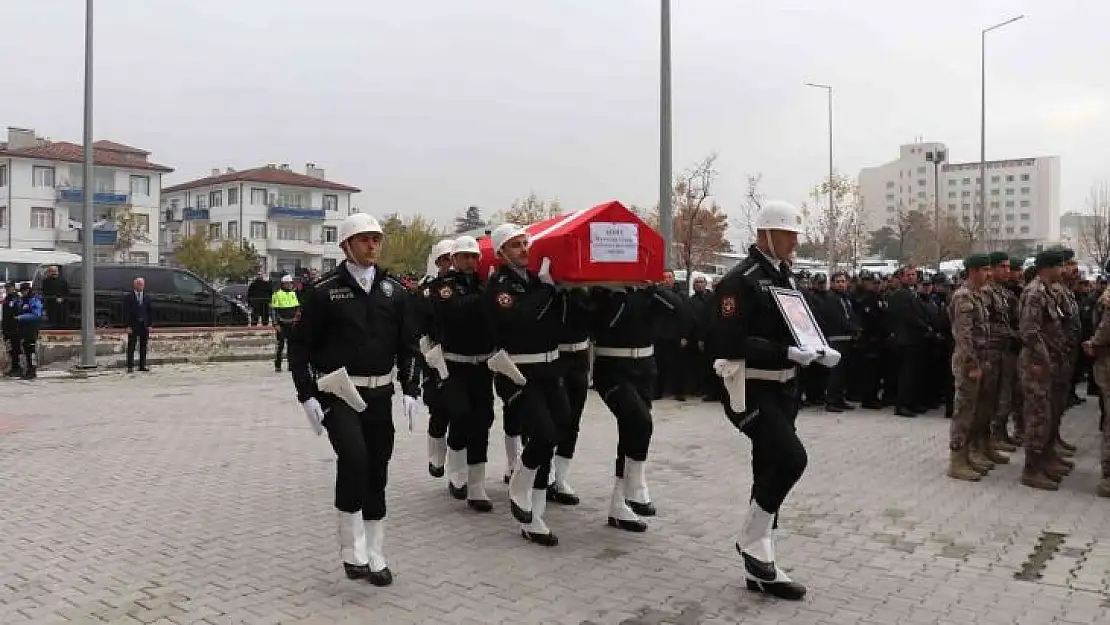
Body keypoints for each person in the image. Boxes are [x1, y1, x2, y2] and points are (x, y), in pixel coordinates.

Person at [710, 200, 840, 601]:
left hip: (784, 388)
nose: (794, 242)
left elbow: (794, 327)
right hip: (750, 387)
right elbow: (730, 341)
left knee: (768, 467)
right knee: (790, 458)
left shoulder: (786, 276)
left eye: (795, 235)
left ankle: (760, 563)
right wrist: (784, 352)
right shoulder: (739, 281)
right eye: (787, 234)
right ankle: (750, 543)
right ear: (765, 235)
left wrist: (816, 349)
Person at [287, 212, 421, 586]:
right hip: (339, 392)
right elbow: (299, 347)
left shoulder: (395, 291)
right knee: (355, 457)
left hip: (380, 393)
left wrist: (411, 388)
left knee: (377, 467)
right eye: (363, 239)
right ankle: (351, 548)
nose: (372, 246)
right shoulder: (323, 291)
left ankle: (376, 553)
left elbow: (409, 346)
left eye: (376, 239)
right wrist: (307, 395)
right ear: (345, 245)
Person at [487, 223, 570, 546]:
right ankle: (519, 484)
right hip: (518, 373)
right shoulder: (499, 287)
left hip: (549, 370)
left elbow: (558, 322)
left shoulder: (537, 281)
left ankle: (535, 517)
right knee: (543, 433)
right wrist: (548, 291)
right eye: (516, 245)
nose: (524, 249)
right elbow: (519, 318)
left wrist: (564, 291)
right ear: (501, 253)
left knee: (558, 430)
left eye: (525, 243)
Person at [430, 235, 497, 512]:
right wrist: (486, 295)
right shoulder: (444, 286)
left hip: (481, 364)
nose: (470, 261)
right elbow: (455, 311)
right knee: (460, 414)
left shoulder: (485, 284)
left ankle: (477, 483)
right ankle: (457, 474)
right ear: (454, 259)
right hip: (454, 364)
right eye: (465, 256)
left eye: (474, 257)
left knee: (483, 420)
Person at [1017, 250, 1067, 491]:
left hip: (1048, 363)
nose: (1063, 270)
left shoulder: (1046, 291)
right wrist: (1044, 359)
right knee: (1037, 416)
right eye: (1060, 266)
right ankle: (1032, 469)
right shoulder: (1035, 292)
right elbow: (1029, 331)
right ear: (1048, 267)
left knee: (1046, 413)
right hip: (1037, 364)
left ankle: (1044, 460)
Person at [947, 255, 991, 481]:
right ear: (972, 271)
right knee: (963, 412)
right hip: (967, 363)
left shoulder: (978, 295)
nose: (989, 274)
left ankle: (968, 455)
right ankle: (957, 461)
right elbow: (964, 337)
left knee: (975, 411)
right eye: (984, 269)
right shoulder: (963, 297)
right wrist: (973, 363)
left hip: (979, 361)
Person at [417, 239, 456, 478]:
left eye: (451, 259)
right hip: (434, 357)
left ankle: (459, 470)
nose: (448, 265)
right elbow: (419, 325)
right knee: (439, 410)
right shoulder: (427, 289)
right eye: (443, 260)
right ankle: (436, 458)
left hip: (461, 357)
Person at [14, 283, 45, 380]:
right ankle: (27, 369)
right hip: (23, 328)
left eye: (24, 291)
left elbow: (37, 315)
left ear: (27, 290)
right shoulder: (22, 300)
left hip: (31, 328)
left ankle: (32, 370)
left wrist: (21, 317)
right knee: (25, 349)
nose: (22, 293)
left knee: (31, 350)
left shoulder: (34, 300)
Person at [270, 275, 300, 372]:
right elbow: (273, 310)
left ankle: (291, 365)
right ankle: (278, 365)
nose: (290, 285)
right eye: (288, 283)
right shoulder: (277, 294)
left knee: (292, 346)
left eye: (291, 283)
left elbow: (297, 308)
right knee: (280, 345)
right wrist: (275, 324)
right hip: (281, 323)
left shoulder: (293, 294)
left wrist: (297, 318)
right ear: (283, 284)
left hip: (292, 323)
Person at [123, 277, 154, 374]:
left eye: (142, 284)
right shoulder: (129, 297)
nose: (141, 286)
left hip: (144, 325)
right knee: (131, 345)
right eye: (139, 284)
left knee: (143, 346)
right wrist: (127, 326)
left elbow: (150, 312)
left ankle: (142, 365)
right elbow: (126, 312)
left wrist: (150, 325)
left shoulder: (147, 297)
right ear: (135, 285)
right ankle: (130, 366)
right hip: (133, 324)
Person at [3, 281, 22, 377]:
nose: (7, 289)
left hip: (15, 328)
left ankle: (17, 368)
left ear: (13, 288)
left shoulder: (16, 298)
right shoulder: (7, 298)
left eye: (9, 287)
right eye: (6, 287)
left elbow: (18, 312)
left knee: (15, 349)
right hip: (7, 328)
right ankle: (13, 367)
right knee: (10, 349)